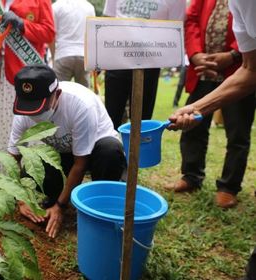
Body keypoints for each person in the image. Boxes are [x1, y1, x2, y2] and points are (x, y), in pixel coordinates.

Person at [168, 1, 255, 279]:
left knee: (238, 131)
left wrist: (232, 55)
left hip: (233, 66)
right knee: (194, 128)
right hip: (208, 68)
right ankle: (191, 174)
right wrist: (195, 55)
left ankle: (229, 186)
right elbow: (252, 69)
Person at [7, 64, 127, 238]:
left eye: (40, 107)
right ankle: (57, 196)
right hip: (63, 153)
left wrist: (60, 207)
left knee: (110, 151)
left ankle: (100, 203)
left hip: (95, 149)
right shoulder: (22, 113)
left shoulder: (80, 105)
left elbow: (81, 162)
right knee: (31, 172)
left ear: (57, 94)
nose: (34, 115)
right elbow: (13, 158)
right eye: (29, 107)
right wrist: (20, 198)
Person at [0, 0, 55, 171]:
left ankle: (31, 174)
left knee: (28, 126)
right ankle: (0, 172)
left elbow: (48, 33)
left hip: (28, 76)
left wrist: (22, 25)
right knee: (0, 126)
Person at [102, 0, 186, 129]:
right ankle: (113, 147)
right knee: (110, 120)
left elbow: (175, 28)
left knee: (142, 122)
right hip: (117, 60)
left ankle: (139, 148)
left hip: (150, 62)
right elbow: (109, 19)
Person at [49, 0, 95, 87]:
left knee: (58, 92)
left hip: (63, 54)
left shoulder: (56, 6)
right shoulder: (89, 7)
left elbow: (51, 35)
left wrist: (54, 56)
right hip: (83, 56)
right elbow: (92, 36)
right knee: (84, 94)